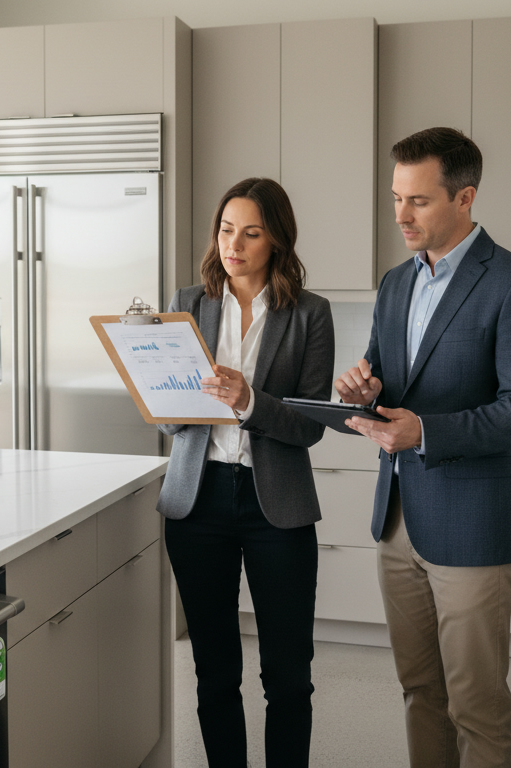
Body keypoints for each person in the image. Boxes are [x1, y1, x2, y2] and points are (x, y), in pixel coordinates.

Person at [335, 127, 511, 768]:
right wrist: (363, 388)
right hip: (398, 518)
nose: (401, 215)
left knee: (476, 706)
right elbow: (388, 383)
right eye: (396, 198)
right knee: (419, 691)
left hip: (473, 527)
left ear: (465, 197)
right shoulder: (394, 283)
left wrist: (427, 432)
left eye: (419, 201)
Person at [156, 177, 334, 768]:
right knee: (214, 670)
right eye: (227, 229)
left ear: (277, 240)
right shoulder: (188, 303)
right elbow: (170, 425)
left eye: (252, 232)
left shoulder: (311, 315)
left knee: (288, 675)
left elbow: (310, 424)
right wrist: (158, 391)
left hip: (275, 507)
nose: (234, 244)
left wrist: (250, 401)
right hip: (197, 500)